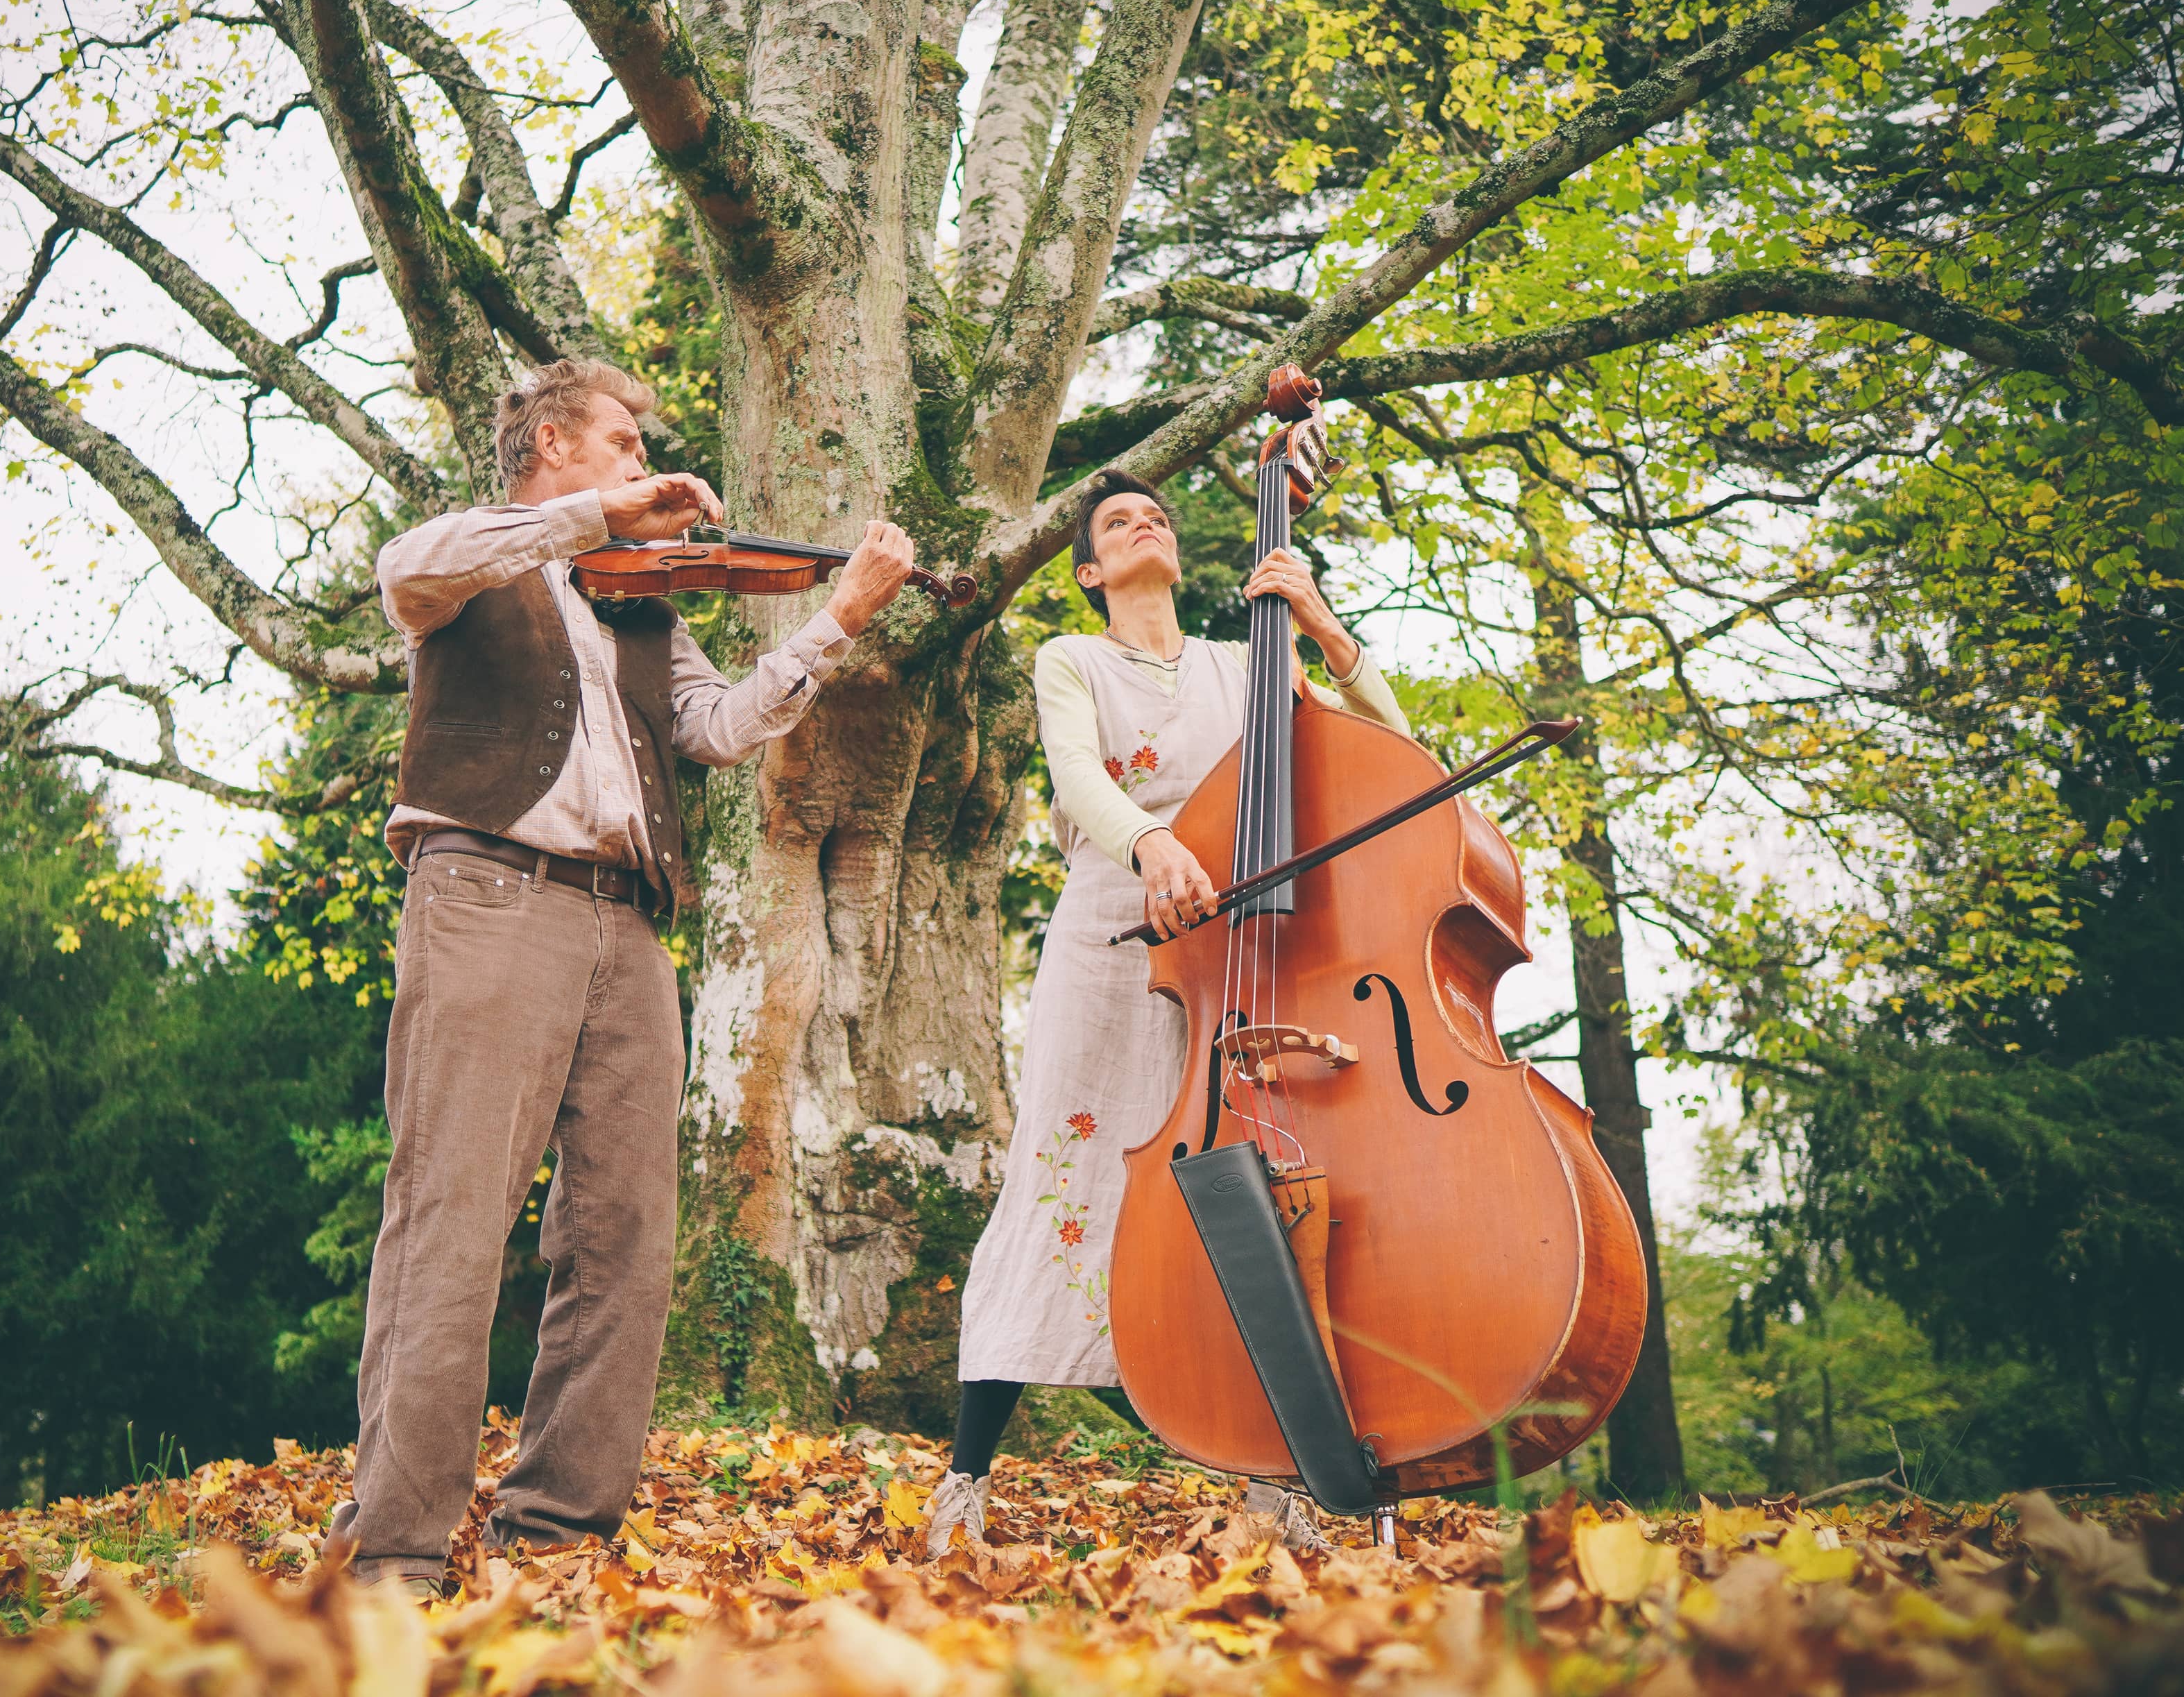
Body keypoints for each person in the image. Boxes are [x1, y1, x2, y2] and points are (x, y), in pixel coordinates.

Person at [329, 358, 920, 1592]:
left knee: (627, 1238)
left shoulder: (652, 607)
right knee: (452, 1220)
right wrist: (598, 515)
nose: (647, 468)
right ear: (549, 443)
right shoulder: (477, 556)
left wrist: (841, 616)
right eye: (623, 443)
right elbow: (404, 573)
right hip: (488, 891)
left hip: (631, 928)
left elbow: (717, 730)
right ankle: (394, 1549)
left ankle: (557, 1535)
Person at [926, 470, 1409, 1556]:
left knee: (1256, 1201)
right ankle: (966, 1478)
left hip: (1244, 962)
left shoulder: (1249, 665)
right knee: (1065, 1178)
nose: (1144, 522)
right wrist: (1151, 842)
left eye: (1158, 514)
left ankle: (1277, 1479)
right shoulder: (1073, 658)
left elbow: (1396, 756)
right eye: (1114, 523)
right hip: (1114, 944)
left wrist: (1325, 630)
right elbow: (1078, 776)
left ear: (1180, 554)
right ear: (1092, 572)